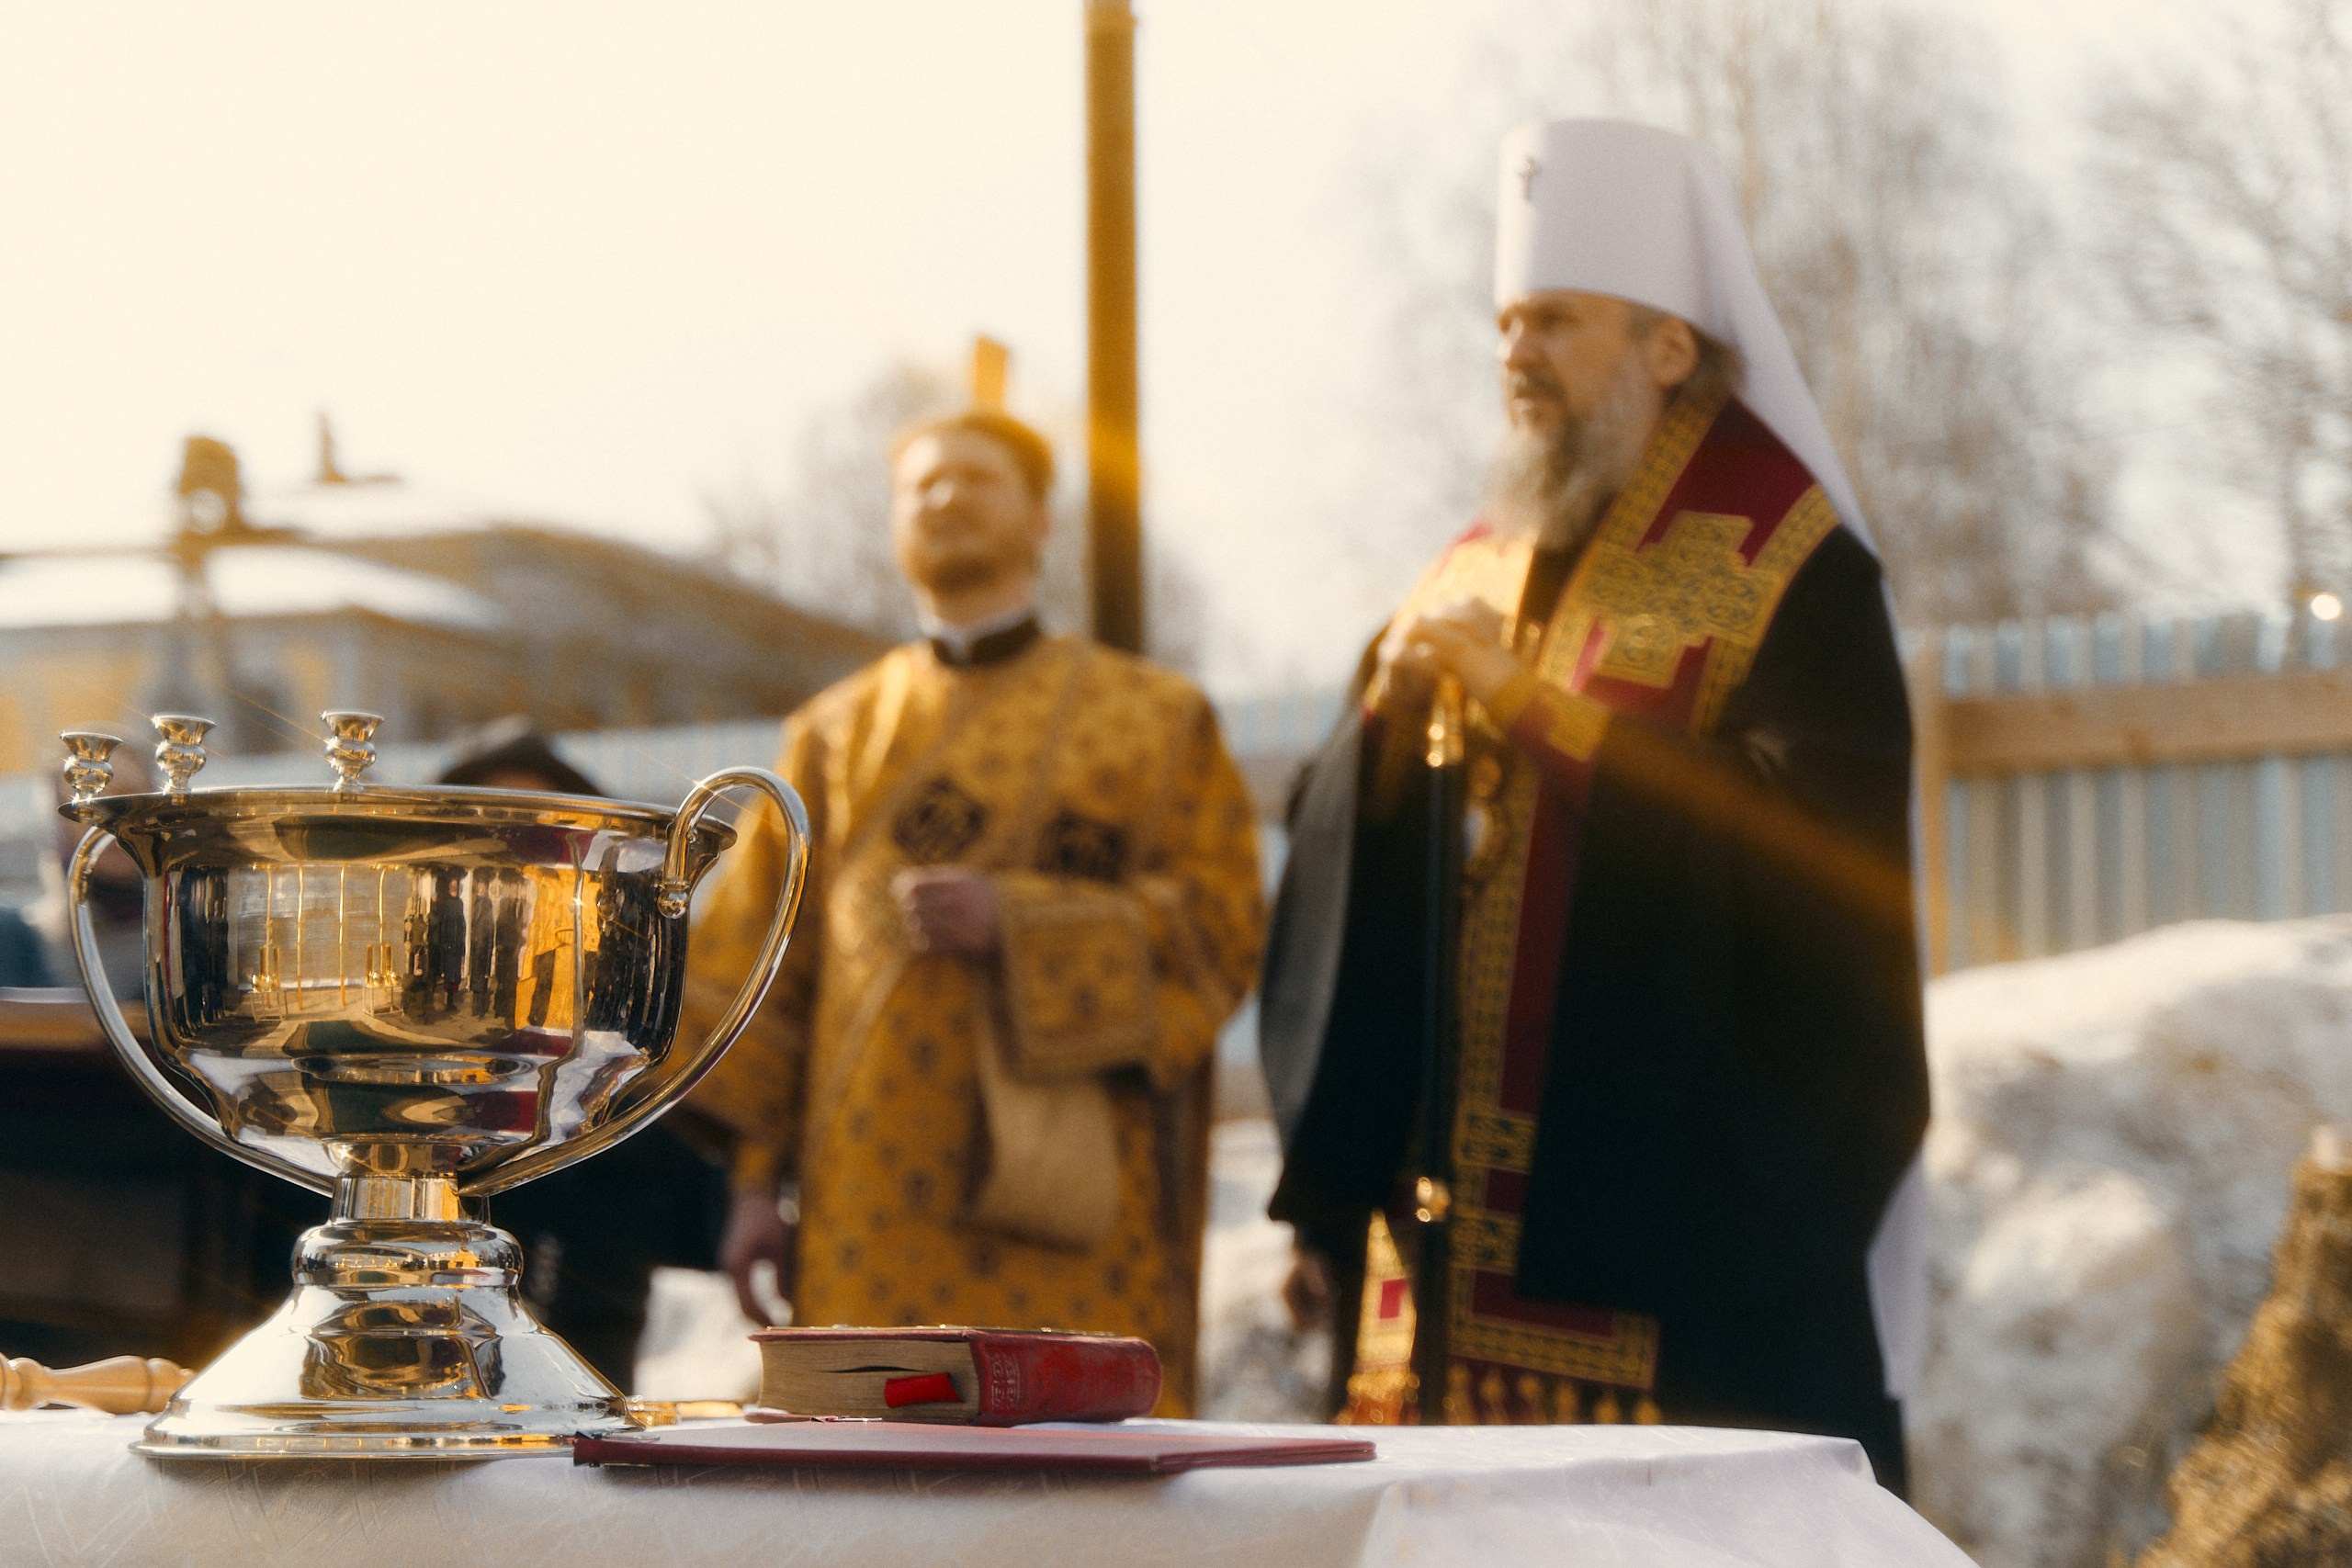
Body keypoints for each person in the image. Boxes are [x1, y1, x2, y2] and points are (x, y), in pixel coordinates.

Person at [1260, 119, 1928, 1490]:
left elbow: (1814, 879)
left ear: (1667, 347)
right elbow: (1337, 862)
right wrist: (1376, 755)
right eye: (1507, 321)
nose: (1514, 352)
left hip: (1675, 1300)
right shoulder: (1465, 568)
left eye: (1555, 320)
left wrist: (1544, 719)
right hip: (1433, 1307)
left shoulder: (1789, 564)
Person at [684, 408, 1262, 1414]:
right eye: (922, 485)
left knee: (1076, 1480)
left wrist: (1024, 922)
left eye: (977, 480)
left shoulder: (1152, 720)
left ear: (1041, 520)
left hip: (1067, 1193)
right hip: (866, 1198)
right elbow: (765, 979)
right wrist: (750, 1188)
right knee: (873, 1476)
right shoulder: (829, 735)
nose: (946, 498)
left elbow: (1220, 922)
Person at [435, 721, 731, 1393]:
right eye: (485, 827)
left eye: (536, 835)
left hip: (583, 1401)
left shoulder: (629, 1046)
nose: (509, 861)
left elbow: (696, 1214)